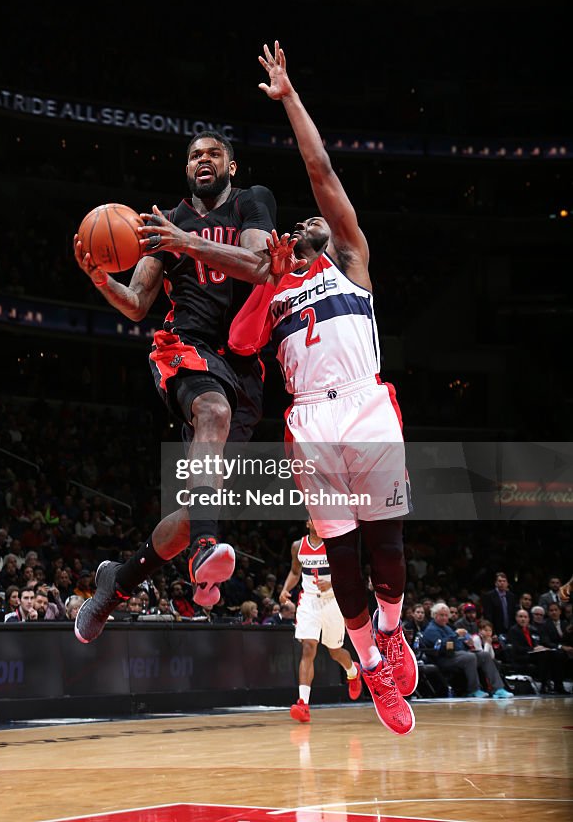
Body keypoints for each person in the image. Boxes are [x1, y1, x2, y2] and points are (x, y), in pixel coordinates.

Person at [228, 41, 417, 736]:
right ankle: (370, 666)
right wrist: (263, 279)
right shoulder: (275, 288)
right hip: (308, 421)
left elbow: (319, 169)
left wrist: (288, 98)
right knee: (342, 556)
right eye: (299, 225)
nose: (307, 224)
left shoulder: (350, 261)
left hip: (364, 402)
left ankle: (393, 636)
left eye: (315, 223)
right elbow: (243, 345)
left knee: (387, 542)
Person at [73, 130, 295, 643]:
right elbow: (136, 303)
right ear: (186, 167)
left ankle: (119, 582)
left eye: (213, 153)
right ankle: (205, 548)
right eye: (195, 154)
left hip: (242, 362)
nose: (203, 160)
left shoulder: (251, 202)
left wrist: (183, 241)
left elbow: (260, 267)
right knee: (212, 416)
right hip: (184, 348)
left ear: (230, 166)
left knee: (195, 508)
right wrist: (102, 279)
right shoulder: (160, 222)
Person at [280, 519, 362, 722]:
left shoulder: (334, 544)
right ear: (308, 523)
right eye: (313, 518)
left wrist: (332, 583)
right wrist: (285, 589)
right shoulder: (298, 546)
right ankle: (303, 704)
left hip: (333, 601)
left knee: (335, 652)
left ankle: (353, 671)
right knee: (308, 647)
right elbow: (295, 572)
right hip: (308, 600)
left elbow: (349, 574)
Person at [422, 602, 513, 698]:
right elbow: (442, 646)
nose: (445, 618)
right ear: (434, 615)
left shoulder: (447, 627)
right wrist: (456, 635)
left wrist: (467, 644)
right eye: (441, 615)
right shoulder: (431, 630)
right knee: (469, 657)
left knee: (484, 655)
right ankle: (473, 690)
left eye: (446, 615)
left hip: (455, 655)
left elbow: (457, 645)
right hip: (443, 659)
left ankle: (498, 689)